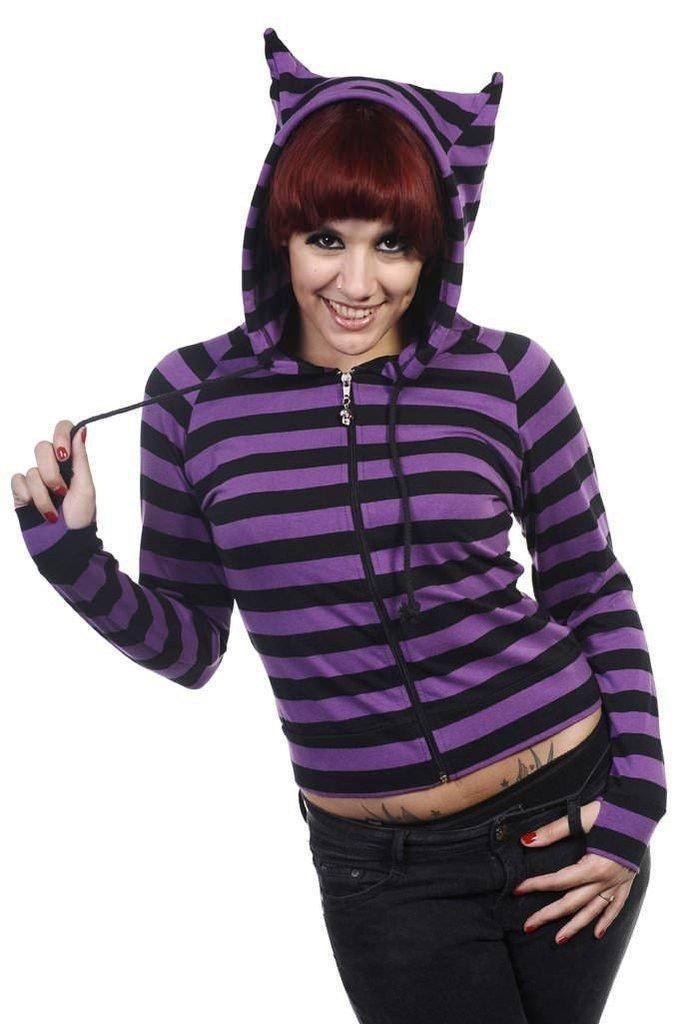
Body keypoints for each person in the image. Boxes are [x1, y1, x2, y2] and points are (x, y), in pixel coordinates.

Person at [11, 27, 666, 1024]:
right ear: (276, 230)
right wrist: (71, 557)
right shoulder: (193, 398)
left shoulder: (508, 376)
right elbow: (191, 647)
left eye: (391, 243)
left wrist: (634, 810)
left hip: (567, 818)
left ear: (434, 245)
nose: (357, 284)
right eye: (327, 238)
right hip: (384, 874)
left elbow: (589, 587)